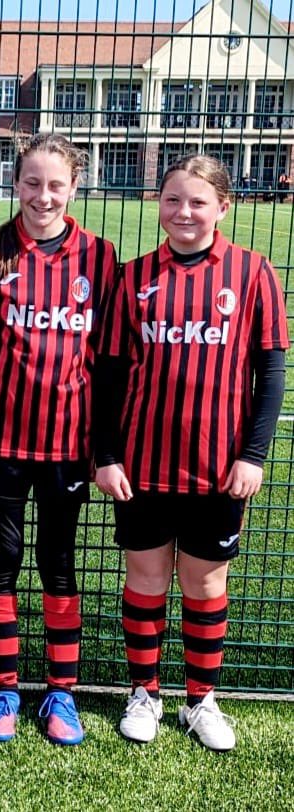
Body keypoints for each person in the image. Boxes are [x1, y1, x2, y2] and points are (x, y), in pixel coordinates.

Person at [94, 154, 288, 752]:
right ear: (158, 203)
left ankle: (201, 699)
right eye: (173, 199)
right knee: (146, 580)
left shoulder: (254, 272)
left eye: (198, 202)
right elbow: (108, 373)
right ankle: (145, 694)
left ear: (222, 208)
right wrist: (106, 454)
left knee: (205, 587)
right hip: (143, 465)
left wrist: (253, 455)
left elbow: (272, 370)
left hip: (219, 467)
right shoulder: (132, 277)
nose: (183, 212)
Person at [0, 133, 117, 746]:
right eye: (32, 182)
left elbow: (110, 359)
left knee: (58, 563)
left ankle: (62, 690)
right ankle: (4, 687)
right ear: (16, 182)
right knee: (2, 561)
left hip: (67, 445)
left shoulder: (100, 258)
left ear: (74, 189)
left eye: (56, 185)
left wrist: (105, 447)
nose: (43, 195)